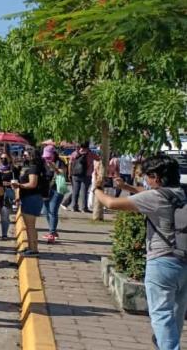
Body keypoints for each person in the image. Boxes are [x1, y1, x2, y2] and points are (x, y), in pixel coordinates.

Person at [94, 155, 187, 349]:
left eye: (148, 176)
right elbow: (145, 193)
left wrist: (97, 188)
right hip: (183, 261)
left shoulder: (154, 197)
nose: (146, 180)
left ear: (157, 177)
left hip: (161, 263)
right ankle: (168, 344)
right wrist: (127, 188)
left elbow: (110, 203)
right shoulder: (180, 193)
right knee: (177, 313)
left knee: (161, 314)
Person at [11, 150, 47, 256]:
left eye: (25, 155)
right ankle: (31, 247)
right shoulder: (30, 167)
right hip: (28, 197)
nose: (23, 156)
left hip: (32, 197)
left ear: (32, 156)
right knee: (29, 225)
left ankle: (34, 249)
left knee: (30, 225)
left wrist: (19, 186)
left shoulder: (33, 168)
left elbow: (32, 184)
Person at [42, 147, 67, 243]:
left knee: (53, 210)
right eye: (45, 157)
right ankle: (53, 231)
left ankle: (52, 233)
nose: (47, 159)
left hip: (57, 189)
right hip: (46, 189)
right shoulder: (43, 162)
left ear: (54, 154)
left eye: (49, 156)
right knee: (45, 211)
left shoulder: (59, 162)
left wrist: (54, 167)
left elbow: (62, 172)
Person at [69, 142, 99, 213]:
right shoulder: (90, 154)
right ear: (87, 147)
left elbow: (70, 163)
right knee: (84, 192)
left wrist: (70, 173)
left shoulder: (75, 153)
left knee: (75, 191)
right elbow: (98, 159)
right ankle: (84, 208)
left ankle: (74, 207)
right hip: (86, 175)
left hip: (75, 174)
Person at [0, 153, 18, 240]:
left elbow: (17, 183)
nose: (3, 160)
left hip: (7, 195)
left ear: (9, 159)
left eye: (5, 158)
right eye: (1, 158)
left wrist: (9, 183)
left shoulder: (13, 170)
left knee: (5, 216)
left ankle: (4, 234)